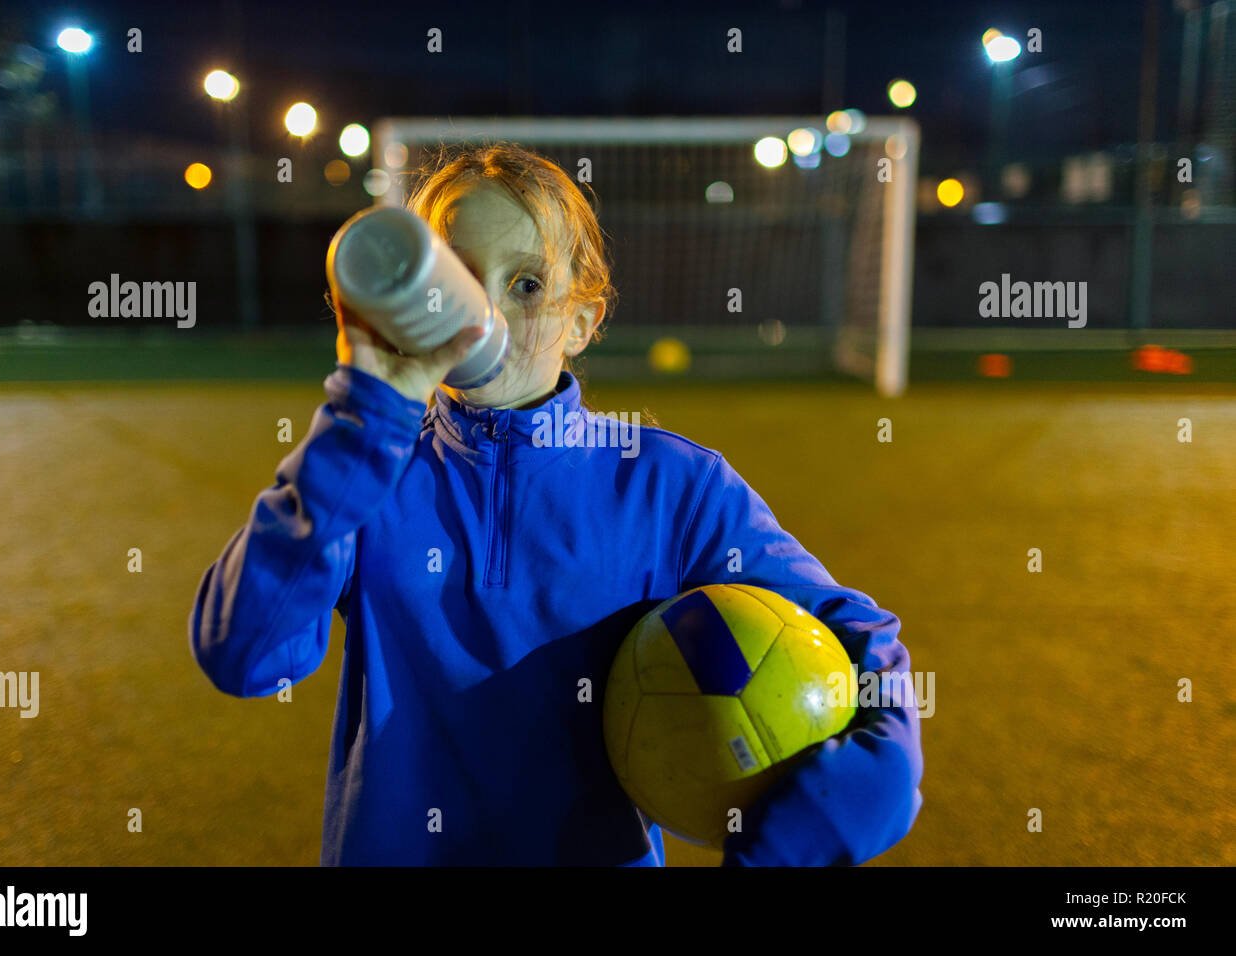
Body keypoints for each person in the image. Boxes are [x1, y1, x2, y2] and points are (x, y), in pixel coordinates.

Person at [189, 143, 923, 865]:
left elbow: (858, 640)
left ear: (582, 320)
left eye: (529, 285)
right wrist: (363, 418)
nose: (493, 316)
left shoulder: (670, 484)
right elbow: (245, 656)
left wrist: (820, 821)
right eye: (463, 284)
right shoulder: (370, 464)